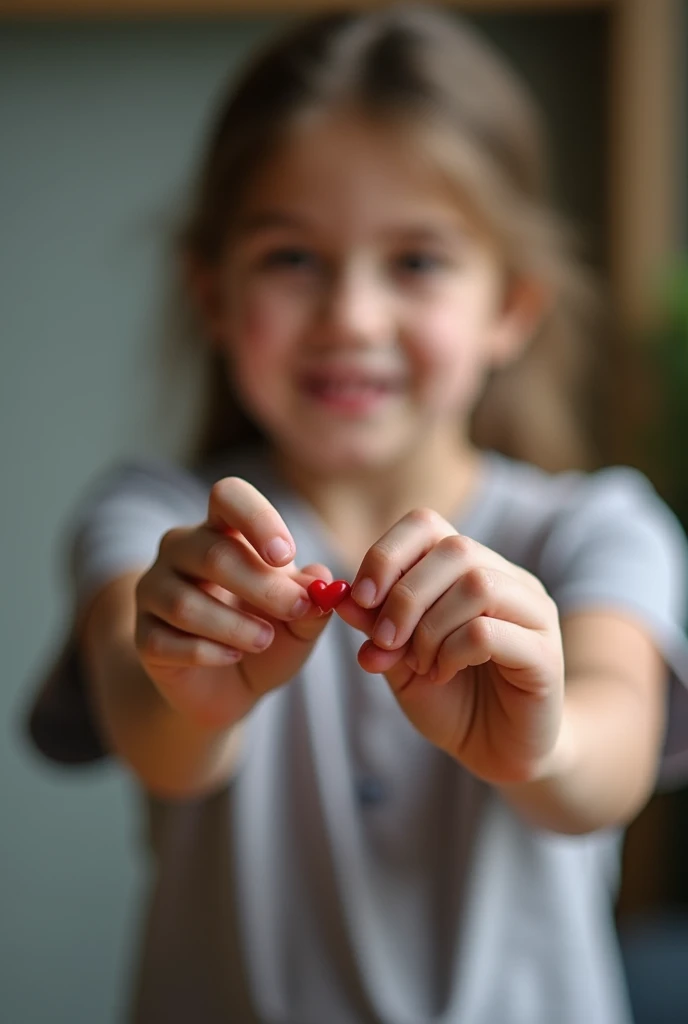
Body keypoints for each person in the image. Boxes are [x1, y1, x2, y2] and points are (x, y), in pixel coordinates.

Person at [26, 6, 688, 1023]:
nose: (351, 317)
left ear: (510, 305)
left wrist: (540, 746)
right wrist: (189, 696)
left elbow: (610, 759)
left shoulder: (601, 530)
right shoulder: (155, 521)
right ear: (213, 293)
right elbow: (149, 726)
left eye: (416, 262)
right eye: (293, 258)